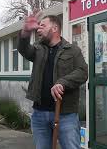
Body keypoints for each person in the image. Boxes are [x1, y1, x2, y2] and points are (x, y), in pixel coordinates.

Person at [17, 13, 88, 149]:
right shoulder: (38, 49)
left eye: (43, 26)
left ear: (55, 28)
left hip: (65, 115)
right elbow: (23, 49)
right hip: (39, 114)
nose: (38, 29)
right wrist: (25, 31)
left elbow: (83, 72)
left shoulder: (72, 50)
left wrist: (63, 82)